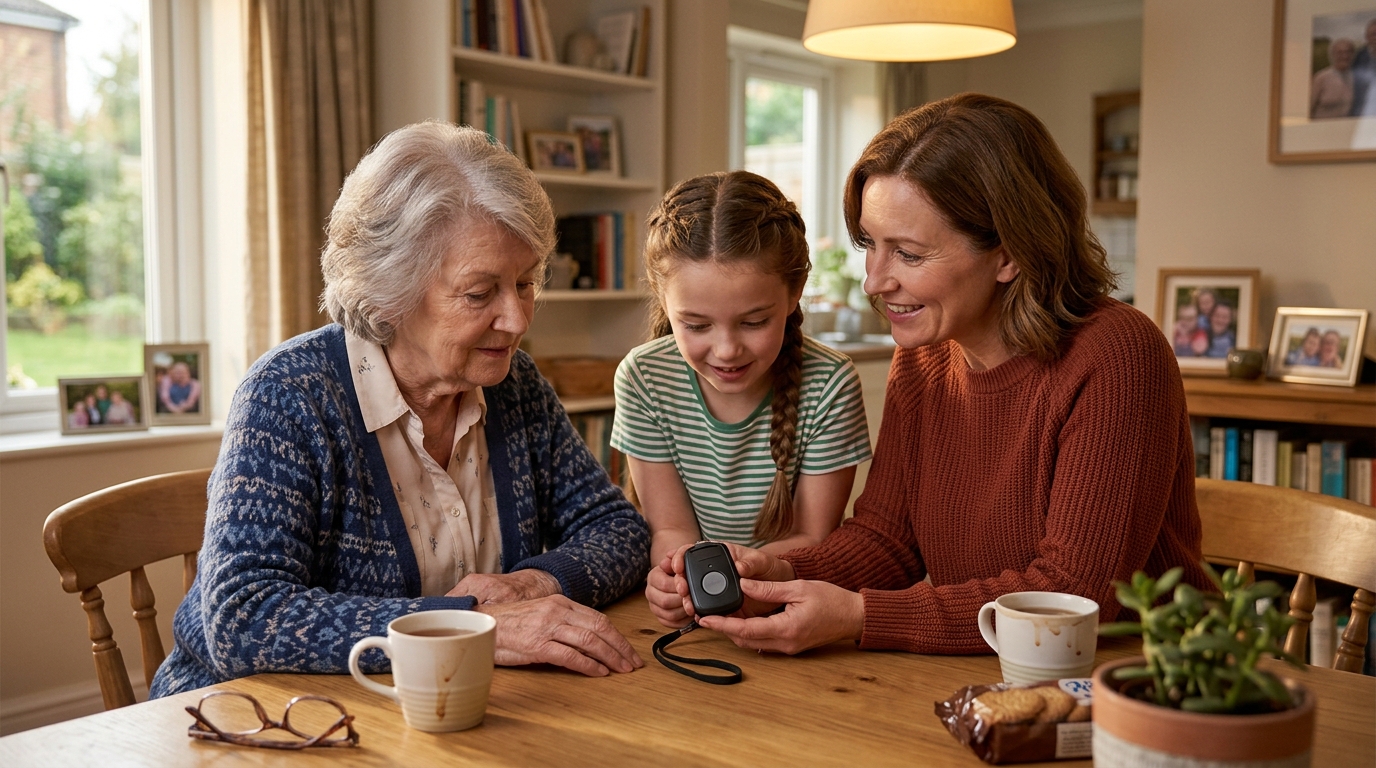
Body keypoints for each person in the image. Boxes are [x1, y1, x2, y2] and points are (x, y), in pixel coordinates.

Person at [666, 93, 1212, 656]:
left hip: (1152, 678)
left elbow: (1069, 595)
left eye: (907, 254)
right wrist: (774, 572)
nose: (874, 282)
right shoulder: (926, 357)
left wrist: (859, 616)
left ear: (1008, 254)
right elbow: (888, 538)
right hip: (992, 672)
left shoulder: (1118, 355)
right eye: (870, 246)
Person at [149, 122, 651, 698]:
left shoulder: (515, 386)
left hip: (432, 708)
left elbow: (619, 531)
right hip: (256, 721)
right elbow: (244, 619)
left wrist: (536, 583)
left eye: (525, 283)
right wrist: (465, 625)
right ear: (390, 291)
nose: (516, 320)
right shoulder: (289, 395)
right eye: (480, 292)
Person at [611, 171, 872, 628]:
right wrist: (674, 580)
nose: (727, 349)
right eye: (696, 325)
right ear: (662, 298)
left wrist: (735, 577)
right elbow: (672, 530)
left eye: (754, 322)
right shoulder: (643, 377)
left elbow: (812, 536)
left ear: (794, 293)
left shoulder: (830, 383)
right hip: (701, 611)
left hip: (790, 603)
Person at [1311, 38, 1356, 119]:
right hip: (1321, 127)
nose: (1344, 56)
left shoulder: (1357, 79)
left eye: (1348, 52)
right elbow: (1309, 107)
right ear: (1332, 54)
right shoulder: (1321, 77)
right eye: (1340, 52)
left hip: (1347, 128)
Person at [1350, 20, 1376, 115]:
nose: (1375, 38)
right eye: (1373, 34)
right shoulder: (1359, 56)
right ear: (1366, 37)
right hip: (1363, 109)